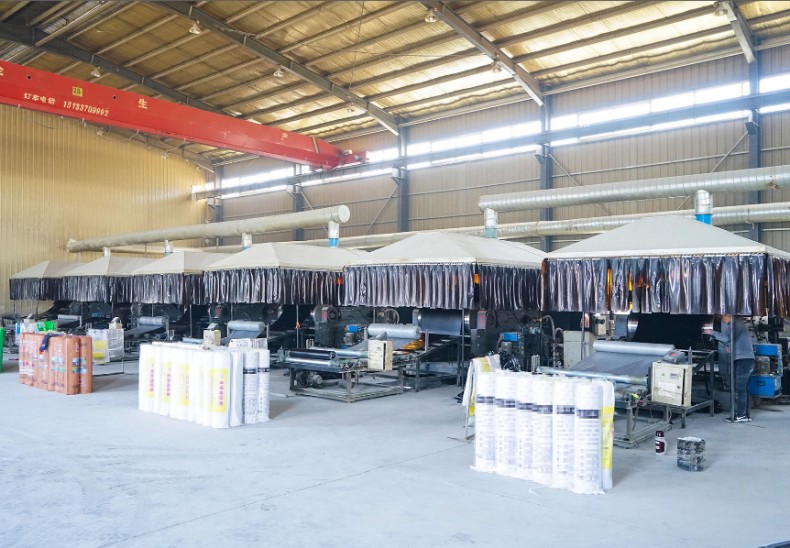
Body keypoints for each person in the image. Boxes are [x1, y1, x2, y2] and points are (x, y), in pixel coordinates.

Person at [706, 314, 755, 423]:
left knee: (739, 388)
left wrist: (711, 332)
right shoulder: (736, 325)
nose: (723, 321)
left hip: (743, 360)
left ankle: (741, 415)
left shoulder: (735, 324)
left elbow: (726, 338)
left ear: (727, 316)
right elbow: (731, 340)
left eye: (723, 318)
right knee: (743, 389)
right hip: (744, 359)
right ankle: (745, 414)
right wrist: (730, 347)